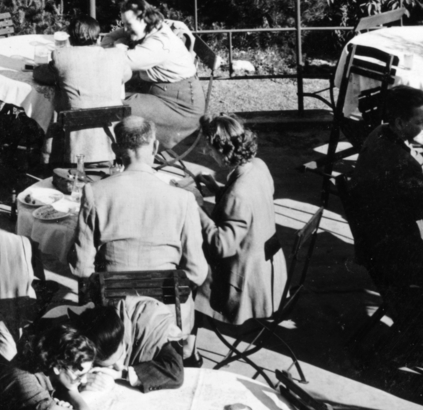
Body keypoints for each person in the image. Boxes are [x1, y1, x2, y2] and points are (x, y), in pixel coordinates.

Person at [70, 117, 209, 298]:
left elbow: (81, 267)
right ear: (155, 147)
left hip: (114, 312)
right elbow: (196, 272)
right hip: (169, 314)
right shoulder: (184, 199)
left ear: (115, 149)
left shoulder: (94, 193)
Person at [346, 86, 423, 291]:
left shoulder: (382, 133)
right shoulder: (399, 161)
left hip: (375, 233)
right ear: (401, 122)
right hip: (395, 249)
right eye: (420, 122)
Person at [195, 115, 285, 326]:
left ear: (222, 150)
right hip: (269, 272)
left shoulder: (238, 194)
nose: (208, 153)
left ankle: (190, 349)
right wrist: (218, 189)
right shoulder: (258, 166)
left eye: (210, 149)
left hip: (244, 286)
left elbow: (221, 246)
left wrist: (196, 207)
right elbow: (247, 210)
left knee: (188, 265)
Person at [32, 17, 134, 167]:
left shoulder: (62, 55)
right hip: (110, 129)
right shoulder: (117, 55)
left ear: (70, 39)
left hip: (74, 133)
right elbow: (126, 76)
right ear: (98, 37)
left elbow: (41, 75)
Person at [106, 0, 202, 151]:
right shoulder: (154, 25)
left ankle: (118, 156)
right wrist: (115, 43)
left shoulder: (158, 44)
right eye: (123, 23)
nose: (125, 29)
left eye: (129, 24)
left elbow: (115, 61)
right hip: (162, 95)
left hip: (181, 108)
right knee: (112, 100)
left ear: (145, 19)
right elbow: (111, 37)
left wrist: (116, 47)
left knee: (113, 108)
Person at [68, 301, 187, 392]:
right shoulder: (86, 340)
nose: (119, 366)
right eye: (110, 365)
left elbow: (176, 373)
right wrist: (84, 377)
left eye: (120, 357)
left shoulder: (153, 330)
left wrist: (122, 374)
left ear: (123, 338)